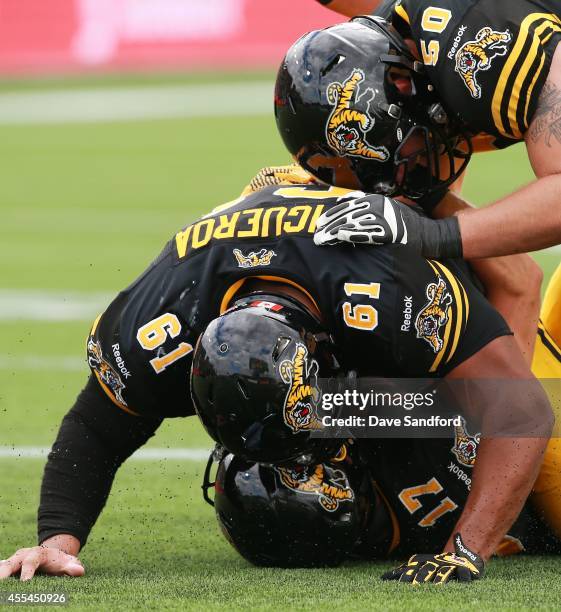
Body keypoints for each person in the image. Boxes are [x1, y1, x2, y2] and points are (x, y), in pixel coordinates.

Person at [0, 174, 551, 582]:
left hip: (369, 261)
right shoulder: (161, 321)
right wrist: (56, 540)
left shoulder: (384, 290)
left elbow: (519, 311)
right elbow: (98, 427)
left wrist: (466, 548)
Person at [276, 4, 561, 259]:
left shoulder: (471, 57)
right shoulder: (390, 51)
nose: (399, 177)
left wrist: (433, 236)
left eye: (390, 146)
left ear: (402, 85)